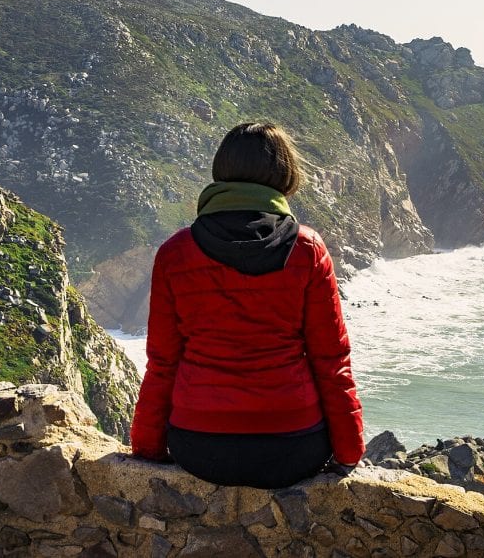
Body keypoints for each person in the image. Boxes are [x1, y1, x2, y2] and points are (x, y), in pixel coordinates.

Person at [130, 122, 364, 488]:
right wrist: (349, 452)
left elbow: (163, 361)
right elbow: (331, 360)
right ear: (285, 174)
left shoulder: (176, 253)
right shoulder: (307, 249)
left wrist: (146, 446)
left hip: (199, 446)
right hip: (294, 446)